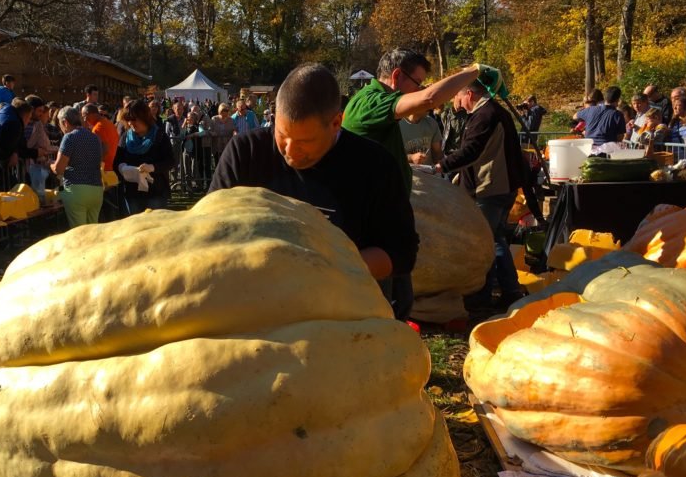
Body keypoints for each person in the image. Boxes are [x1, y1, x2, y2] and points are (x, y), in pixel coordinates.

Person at [209, 63, 417, 293]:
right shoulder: (245, 152)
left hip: (343, 307)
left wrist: (329, 268)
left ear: (336, 123)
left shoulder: (376, 165)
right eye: (282, 135)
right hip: (255, 300)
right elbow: (210, 228)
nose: (290, 150)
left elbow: (402, 252)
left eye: (304, 142)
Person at [343, 49, 490, 318]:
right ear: (397, 76)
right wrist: (474, 72)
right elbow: (430, 97)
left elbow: (421, 104)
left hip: (388, 219)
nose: (420, 88)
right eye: (418, 82)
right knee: (382, 304)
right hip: (372, 224)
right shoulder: (370, 102)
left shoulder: (379, 103)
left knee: (401, 300)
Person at [433, 80, 528, 311]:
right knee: (496, 239)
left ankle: (481, 298)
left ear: (469, 94)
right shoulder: (494, 112)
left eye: (458, 95)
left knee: (484, 243)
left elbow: (471, 151)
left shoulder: (485, 115)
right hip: (500, 186)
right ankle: (511, 291)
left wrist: (441, 166)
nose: (456, 101)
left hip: (490, 188)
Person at [114, 98, 175, 214]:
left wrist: (152, 167)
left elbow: (170, 161)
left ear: (144, 117)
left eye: (134, 119)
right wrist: (122, 167)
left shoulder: (160, 136)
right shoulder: (125, 136)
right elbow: (118, 160)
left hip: (156, 192)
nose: (131, 123)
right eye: (128, 120)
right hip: (132, 193)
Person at [51, 106, 104, 228]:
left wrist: (50, 164)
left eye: (60, 125)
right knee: (93, 235)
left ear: (65, 122)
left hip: (77, 191)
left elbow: (59, 169)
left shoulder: (69, 137)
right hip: (97, 190)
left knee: (80, 236)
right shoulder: (95, 137)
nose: (61, 129)